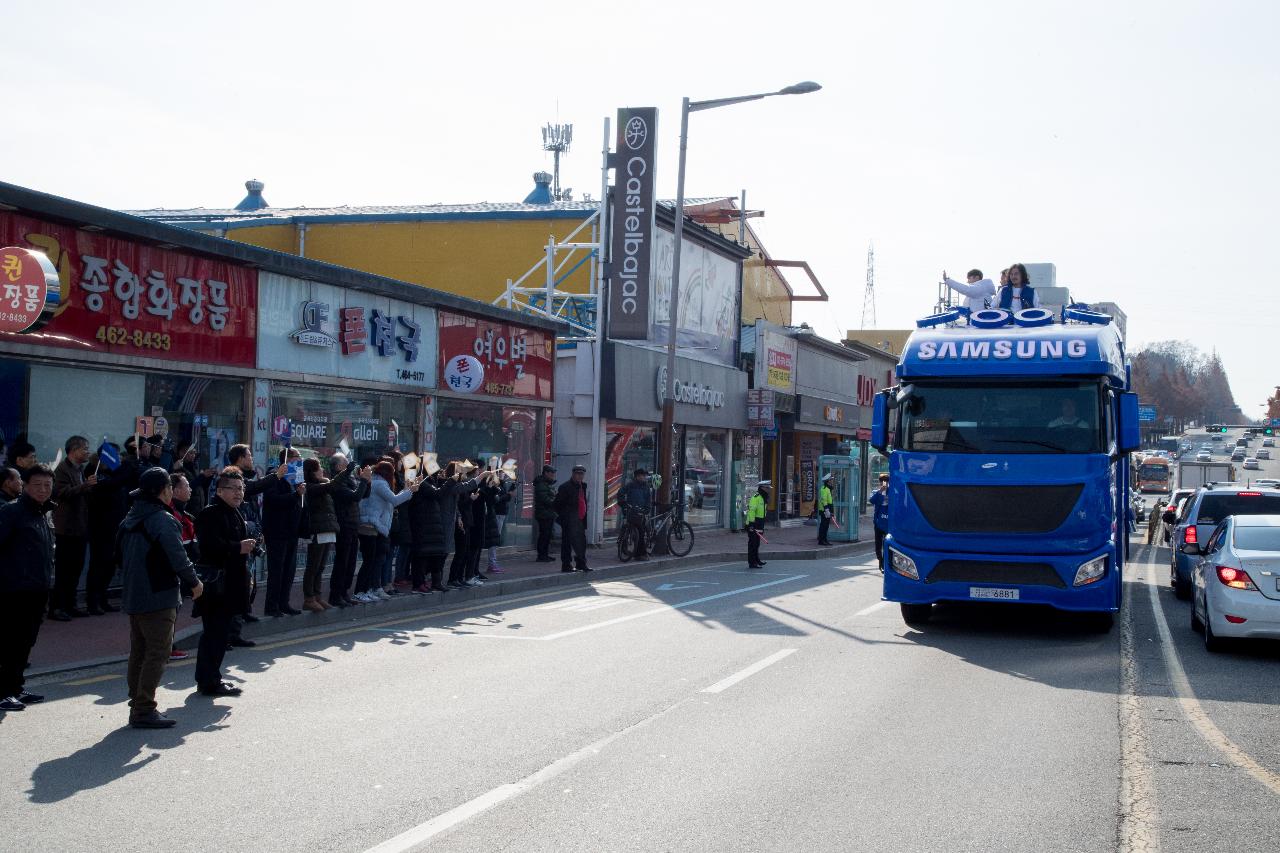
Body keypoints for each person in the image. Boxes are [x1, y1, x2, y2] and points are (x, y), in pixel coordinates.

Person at [119, 466, 203, 728]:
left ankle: (137, 702)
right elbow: (178, 558)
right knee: (158, 651)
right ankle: (144, 708)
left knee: (140, 650)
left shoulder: (130, 518)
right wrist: (194, 582)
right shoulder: (163, 520)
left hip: (134, 593)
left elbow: (117, 556)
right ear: (164, 491)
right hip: (159, 594)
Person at [0, 464, 56, 712]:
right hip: (14, 590)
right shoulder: (11, 512)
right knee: (9, 641)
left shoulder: (41, 513)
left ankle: (15, 687)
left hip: (38, 588)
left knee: (25, 641)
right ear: (25, 485)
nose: (43, 490)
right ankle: (3, 692)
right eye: (37, 485)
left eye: (47, 485)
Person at [193, 468, 253, 698]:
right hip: (216, 585)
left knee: (220, 633)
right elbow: (210, 546)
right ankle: (208, 681)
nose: (239, 493)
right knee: (214, 633)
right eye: (234, 489)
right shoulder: (211, 514)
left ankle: (212, 676)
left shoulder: (234, 511)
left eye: (241, 489)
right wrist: (239, 547)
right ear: (220, 490)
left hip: (231, 583)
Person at [226, 444, 286, 635]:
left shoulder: (249, 475)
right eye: (249, 455)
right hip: (239, 534)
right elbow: (252, 488)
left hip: (252, 530)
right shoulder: (233, 478)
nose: (251, 458)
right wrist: (275, 475)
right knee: (241, 578)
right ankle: (233, 624)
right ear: (240, 458)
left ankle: (245, 611)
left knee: (250, 577)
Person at [355, 461, 417, 602]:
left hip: (373, 525)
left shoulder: (376, 482)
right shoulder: (381, 484)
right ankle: (363, 590)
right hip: (373, 525)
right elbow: (394, 501)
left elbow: (392, 499)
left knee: (375, 560)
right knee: (372, 561)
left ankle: (369, 589)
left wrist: (407, 490)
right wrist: (410, 491)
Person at [51, 436, 97, 618]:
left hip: (80, 527)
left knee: (76, 569)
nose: (87, 452)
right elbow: (61, 493)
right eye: (85, 448)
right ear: (73, 450)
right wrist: (85, 486)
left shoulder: (81, 470)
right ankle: (57, 607)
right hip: (66, 528)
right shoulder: (62, 469)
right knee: (64, 570)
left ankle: (70, 604)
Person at [262, 448, 305, 617]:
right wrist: (295, 495)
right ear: (287, 459)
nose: (299, 460)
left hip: (292, 530)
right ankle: (272, 606)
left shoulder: (297, 477)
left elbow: (299, 501)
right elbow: (273, 500)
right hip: (277, 530)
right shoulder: (275, 476)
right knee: (277, 570)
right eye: (297, 457)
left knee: (289, 570)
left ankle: (284, 603)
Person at [301, 457, 344, 613]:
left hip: (328, 528)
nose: (322, 471)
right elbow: (332, 485)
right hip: (317, 529)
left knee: (321, 566)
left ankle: (317, 596)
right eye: (319, 468)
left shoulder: (322, 485)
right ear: (311, 472)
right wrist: (347, 471)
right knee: (313, 565)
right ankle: (309, 598)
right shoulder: (310, 487)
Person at [329, 454, 371, 607]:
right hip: (344, 524)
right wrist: (364, 481)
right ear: (339, 467)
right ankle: (335, 594)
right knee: (342, 561)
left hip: (353, 523)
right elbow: (354, 497)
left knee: (351, 561)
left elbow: (363, 494)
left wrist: (366, 480)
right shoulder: (336, 482)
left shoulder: (349, 480)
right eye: (346, 464)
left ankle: (344, 592)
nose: (349, 466)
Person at [407, 464, 449, 594]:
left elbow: (438, 492)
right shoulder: (421, 483)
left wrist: (442, 481)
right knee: (421, 556)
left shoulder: (430, 481)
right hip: (423, 524)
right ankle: (418, 584)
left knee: (435, 555)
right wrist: (451, 481)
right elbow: (437, 493)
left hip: (433, 525)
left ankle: (436, 582)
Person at [440, 462, 484, 589]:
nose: (464, 473)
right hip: (456, 521)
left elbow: (458, 505)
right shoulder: (451, 485)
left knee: (463, 551)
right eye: (462, 471)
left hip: (462, 520)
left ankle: (458, 578)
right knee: (456, 551)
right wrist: (471, 499)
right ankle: (451, 578)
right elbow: (461, 503)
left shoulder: (457, 485)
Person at [554, 465, 591, 572]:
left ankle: (581, 563)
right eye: (578, 474)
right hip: (569, 520)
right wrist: (565, 516)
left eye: (581, 474)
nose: (580, 476)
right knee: (567, 543)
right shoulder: (565, 487)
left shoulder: (582, 486)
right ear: (573, 474)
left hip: (580, 519)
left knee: (581, 542)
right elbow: (557, 504)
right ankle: (566, 565)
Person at [618, 468, 653, 560]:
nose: (644, 477)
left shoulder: (646, 487)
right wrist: (622, 502)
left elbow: (648, 500)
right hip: (631, 511)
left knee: (642, 531)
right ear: (637, 476)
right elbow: (621, 493)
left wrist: (647, 509)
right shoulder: (631, 485)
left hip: (640, 512)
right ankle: (639, 554)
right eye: (642, 475)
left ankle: (639, 552)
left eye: (645, 475)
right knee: (639, 532)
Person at [487, 469, 517, 573]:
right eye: (501, 473)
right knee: (494, 540)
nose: (503, 475)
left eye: (503, 473)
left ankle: (493, 563)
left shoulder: (502, 484)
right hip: (497, 513)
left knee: (496, 538)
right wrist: (508, 495)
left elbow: (507, 496)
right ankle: (492, 563)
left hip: (502, 513)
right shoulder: (494, 484)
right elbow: (497, 499)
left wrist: (513, 485)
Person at [533, 465, 557, 562]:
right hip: (544, 513)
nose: (553, 475)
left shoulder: (546, 484)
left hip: (548, 513)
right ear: (546, 473)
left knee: (547, 535)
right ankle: (541, 555)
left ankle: (545, 554)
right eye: (551, 473)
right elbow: (545, 499)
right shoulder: (541, 484)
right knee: (544, 535)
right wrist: (555, 502)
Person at [868, 474, 890, 572]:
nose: (884, 483)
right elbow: (871, 501)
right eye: (882, 481)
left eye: (885, 481)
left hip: (888, 523)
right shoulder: (876, 492)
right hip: (878, 522)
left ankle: (884, 563)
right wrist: (881, 491)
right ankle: (880, 560)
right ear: (880, 482)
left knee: (886, 544)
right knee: (878, 545)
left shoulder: (892, 492)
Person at [746, 480, 769, 568]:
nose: (769, 490)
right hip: (754, 523)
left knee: (757, 543)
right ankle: (752, 563)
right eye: (767, 488)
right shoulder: (756, 497)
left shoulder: (763, 498)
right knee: (752, 543)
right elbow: (752, 511)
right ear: (763, 488)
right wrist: (751, 524)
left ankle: (757, 560)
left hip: (760, 523)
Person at [817, 472, 836, 546]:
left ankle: (824, 539)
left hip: (827, 509)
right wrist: (827, 510)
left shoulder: (828, 489)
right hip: (824, 510)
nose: (832, 482)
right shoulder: (824, 489)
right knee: (824, 525)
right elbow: (824, 500)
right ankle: (821, 540)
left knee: (826, 525)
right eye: (831, 480)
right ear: (827, 481)